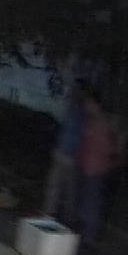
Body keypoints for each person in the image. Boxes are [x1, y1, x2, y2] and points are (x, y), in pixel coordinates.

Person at [74, 89, 121, 255]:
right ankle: (85, 236)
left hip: (95, 170)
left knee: (91, 205)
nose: (86, 106)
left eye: (89, 103)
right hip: (87, 168)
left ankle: (88, 239)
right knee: (86, 203)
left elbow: (108, 149)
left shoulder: (101, 124)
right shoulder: (92, 121)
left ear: (96, 105)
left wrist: (106, 164)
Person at [42, 78, 88, 225]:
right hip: (62, 152)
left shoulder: (82, 112)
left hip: (71, 156)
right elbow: (64, 130)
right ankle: (49, 215)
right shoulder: (71, 108)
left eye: (76, 90)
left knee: (69, 190)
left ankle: (67, 219)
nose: (73, 92)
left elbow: (81, 136)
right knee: (55, 186)